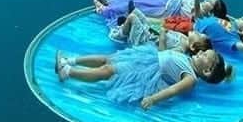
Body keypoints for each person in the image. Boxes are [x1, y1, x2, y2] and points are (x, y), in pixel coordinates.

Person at [54, 43, 233, 109]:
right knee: (107, 59)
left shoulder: (191, 78)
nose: (200, 53)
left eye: (204, 56)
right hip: (145, 57)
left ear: (207, 71)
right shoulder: (186, 56)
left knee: (107, 71)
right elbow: (165, 52)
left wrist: (153, 99)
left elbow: (173, 90)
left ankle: (67, 72)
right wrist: (162, 40)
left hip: (146, 72)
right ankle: (69, 60)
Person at [93, 0, 228, 26]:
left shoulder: (199, 16)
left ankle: (104, 10)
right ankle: (109, 2)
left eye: (211, 2)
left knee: (137, 4)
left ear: (211, 12)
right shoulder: (198, 5)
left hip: (165, 9)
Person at [111, 6, 212, 55]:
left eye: (198, 35)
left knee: (132, 17)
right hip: (151, 32)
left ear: (192, 46)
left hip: (145, 40)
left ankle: (120, 36)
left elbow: (162, 55)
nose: (197, 32)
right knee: (136, 12)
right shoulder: (184, 37)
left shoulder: (180, 49)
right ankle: (126, 28)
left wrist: (163, 36)